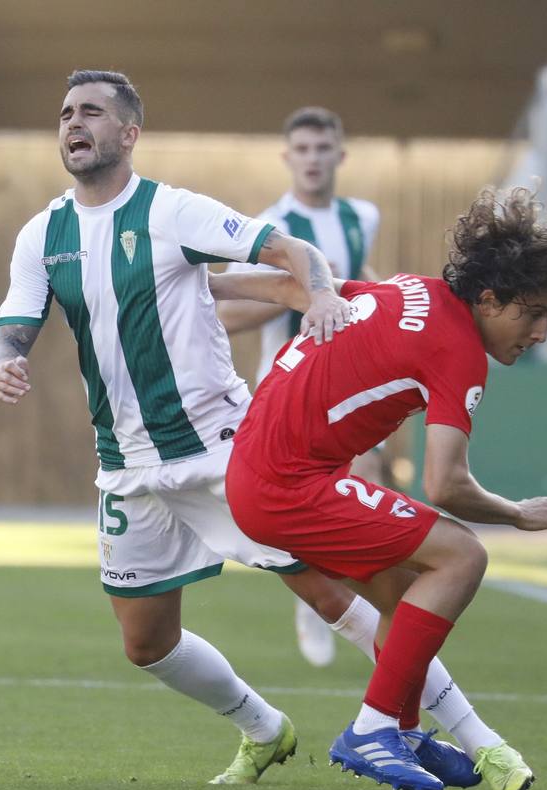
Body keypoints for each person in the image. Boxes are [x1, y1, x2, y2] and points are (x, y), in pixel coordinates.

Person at [0, 69, 358, 786]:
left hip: (221, 448)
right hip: (127, 464)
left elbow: (288, 251)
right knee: (145, 643)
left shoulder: (172, 211)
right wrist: (3, 360)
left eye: (91, 112)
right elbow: (16, 325)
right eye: (66, 112)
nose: (74, 122)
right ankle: (264, 729)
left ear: (128, 133)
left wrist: (319, 295)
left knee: (327, 592)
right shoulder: (43, 233)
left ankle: (467, 735)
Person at [224, 186, 547, 790]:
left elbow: (300, 291)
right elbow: (444, 482)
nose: (543, 332)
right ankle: (372, 729)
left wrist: (202, 284)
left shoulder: (410, 288)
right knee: (463, 555)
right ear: (490, 298)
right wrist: (517, 514)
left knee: (401, 588)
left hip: (263, 468)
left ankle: (400, 726)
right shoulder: (457, 351)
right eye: (533, 312)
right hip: (287, 483)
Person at [220, 106, 382, 669]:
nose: (313, 159)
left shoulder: (364, 216)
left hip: (353, 387)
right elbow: (237, 308)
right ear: (288, 157)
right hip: (289, 390)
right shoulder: (272, 226)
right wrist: (298, 295)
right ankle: (316, 603)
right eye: (303, 150)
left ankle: (366, 605)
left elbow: (365, 287)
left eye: (323, 148)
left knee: (369, 488)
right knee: (302, 507)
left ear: (340, 154)